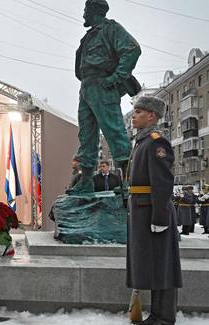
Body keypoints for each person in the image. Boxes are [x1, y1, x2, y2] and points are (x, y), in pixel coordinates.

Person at [68, 0, 141, 194]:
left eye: (85, 10)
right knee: (86, 135)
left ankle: (127, 181)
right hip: (87, 86)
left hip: (102, 85)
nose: (83, 14)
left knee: (114, 130)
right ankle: (86, 180)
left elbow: (132, 49)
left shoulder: (111, 29)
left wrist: (116, 77)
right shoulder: (89, 36)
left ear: (94, 10)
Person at [127, 96, 182, 325]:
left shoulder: (156, 142)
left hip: (152, 211)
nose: (134, 115)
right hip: (141, 210)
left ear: (152, 116)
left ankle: (165, 316)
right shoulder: (142, 141)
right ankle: (157, 314)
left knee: (163, 265)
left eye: (139, 111)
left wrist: (160, 216)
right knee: (152, 264)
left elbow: (162, 182)